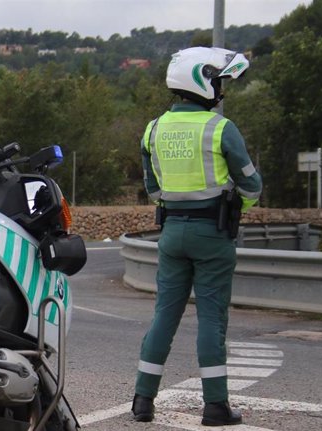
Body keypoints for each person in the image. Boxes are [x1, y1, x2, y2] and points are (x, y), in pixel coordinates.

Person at [132, 47, 262, 427]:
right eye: (218, 81)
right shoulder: (220, 128)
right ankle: (216, 407)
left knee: (164, 316)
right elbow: (251, 185)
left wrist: (177, 203)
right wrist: (234, 206)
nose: (221, 90)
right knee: (211, 319)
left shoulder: (152, 129)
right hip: (213, 234)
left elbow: (152, 187)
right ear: (202, 80)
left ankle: (143, 400)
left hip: (171, 232)